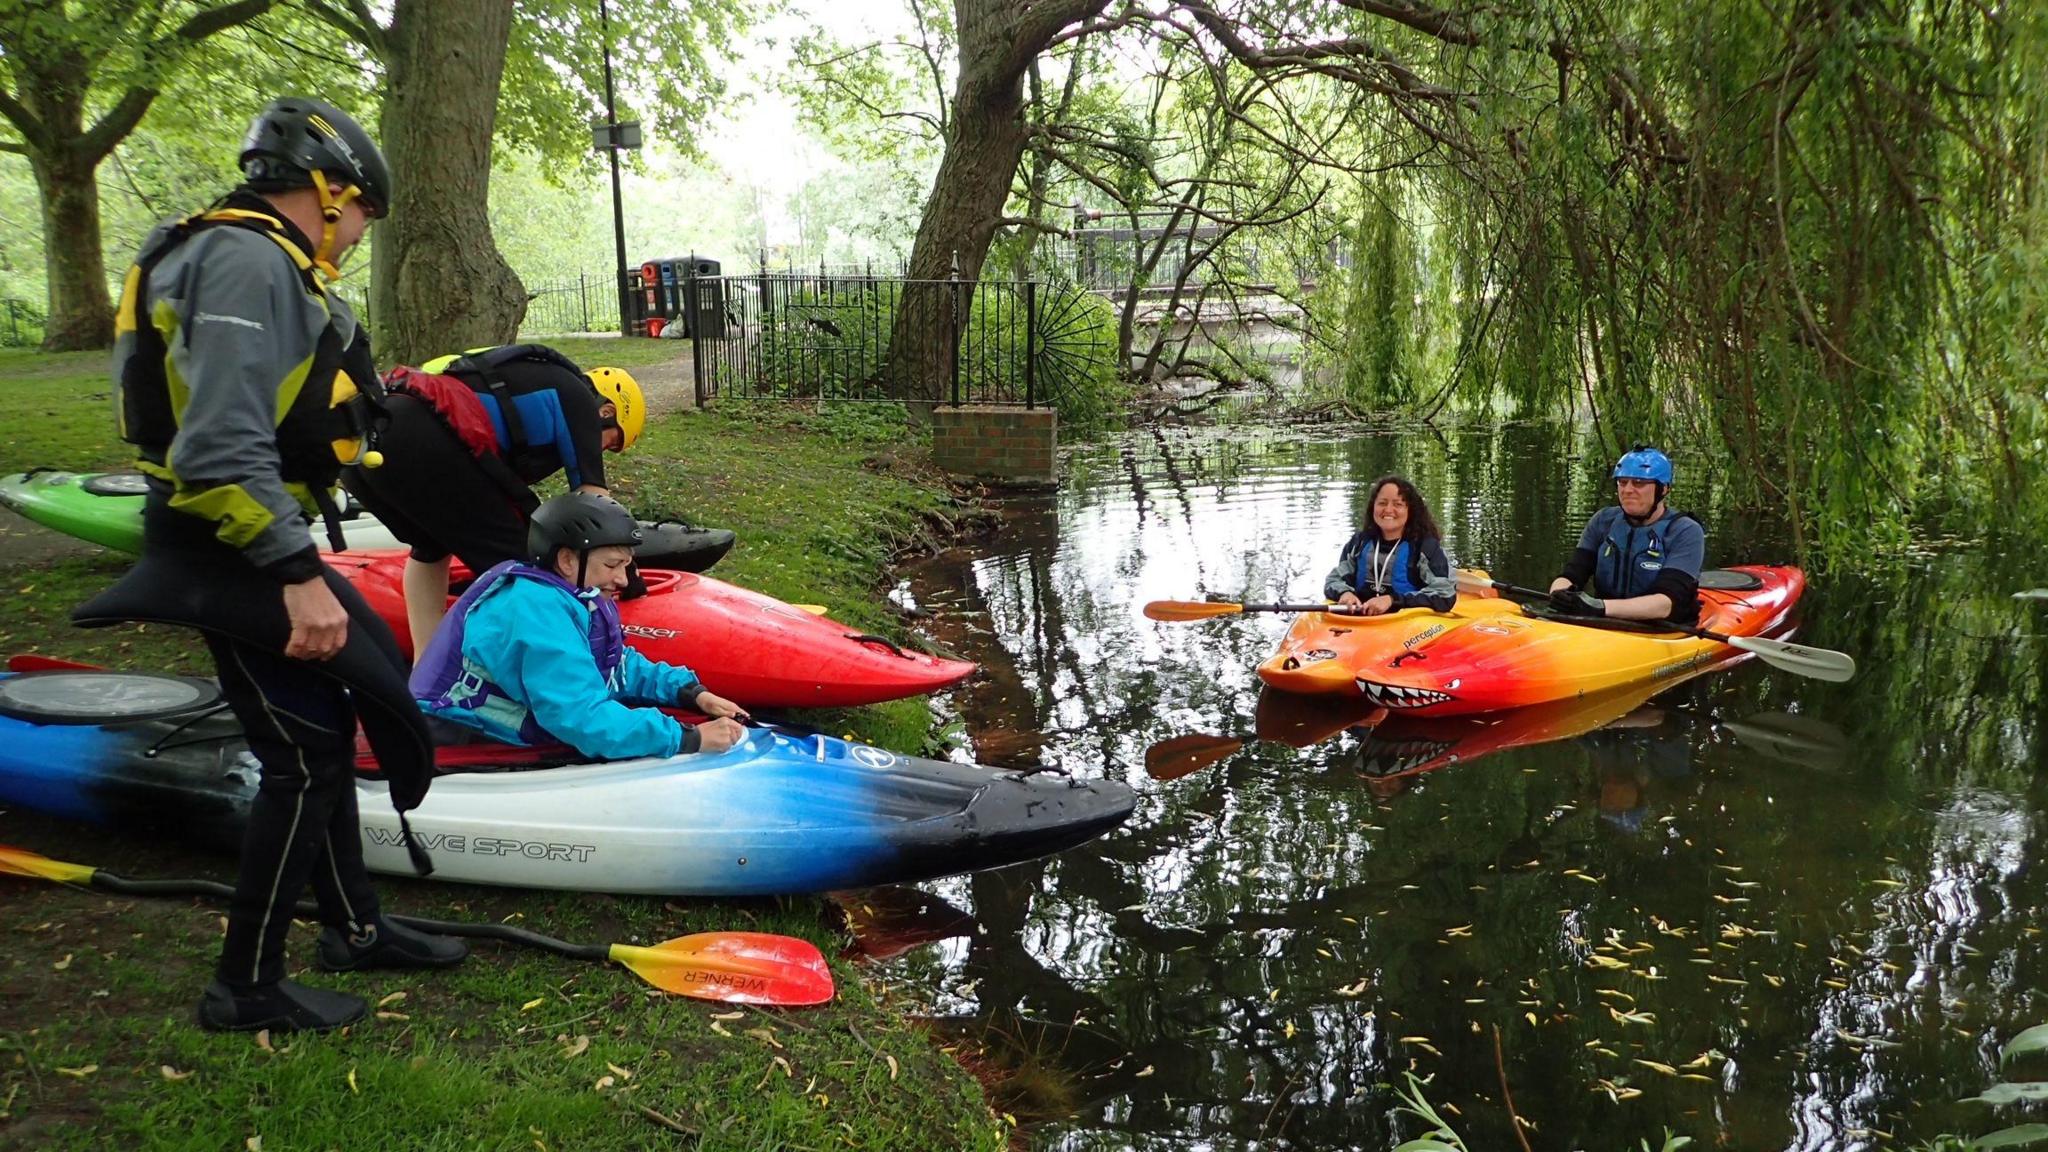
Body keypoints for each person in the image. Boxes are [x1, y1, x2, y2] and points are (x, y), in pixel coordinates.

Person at [89, 96, 465, 1034]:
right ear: (332, 192)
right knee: (303, 756)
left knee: (336, 714)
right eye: (364, 215)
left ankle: (355, 928)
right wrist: (296, 574)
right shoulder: (250, 260)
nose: (361, 234)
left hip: (243, 539)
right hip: (228, 545)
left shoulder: (242, 253)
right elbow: (218, 447)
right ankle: (244, 983)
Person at [340, 343, 648, 653]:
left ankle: (425, 671)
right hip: (414, 439)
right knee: (526, 561)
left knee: (431, 547)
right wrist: (631, 577)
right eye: (613, 441)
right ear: (606, 413)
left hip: (360, 449)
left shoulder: (532, 384)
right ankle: (552, 669)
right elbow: (594, 502)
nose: (604, 451)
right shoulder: (579, 400)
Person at [409, 492, 751, 761]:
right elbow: (581, 719)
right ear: (567, 559)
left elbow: (614, 663)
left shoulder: (577, 594)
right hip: (455, 734)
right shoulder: (534, 610)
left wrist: (689, 692)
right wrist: (688, 738)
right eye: (612, 565)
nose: (622, 579)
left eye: (627, 565)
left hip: (508, 723)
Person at [1547, 445, 1705, 624]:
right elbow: (1572, 573)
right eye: (1622, 482)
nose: (1627, 490)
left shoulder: (1685, 530)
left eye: (1639, 482)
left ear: (1663, 489)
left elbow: (1665, 603)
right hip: (1604, 619)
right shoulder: (1603, 520)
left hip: (1662, 628)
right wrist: (1559, 593)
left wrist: (1599, 607)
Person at [1322, 475, 1458, 616]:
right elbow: (1334, 580)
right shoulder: (1359, 543)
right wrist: (1345, 593)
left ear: (1410, 511)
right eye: (1382, 503)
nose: (1388, 510)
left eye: (1397, 504)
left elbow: (1445, 593)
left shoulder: (1425, 547)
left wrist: (1393, 600)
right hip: (1360, 619)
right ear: (1373, 506)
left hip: (1405, 621)